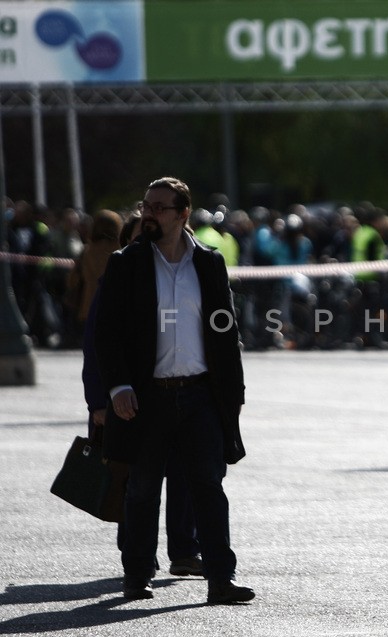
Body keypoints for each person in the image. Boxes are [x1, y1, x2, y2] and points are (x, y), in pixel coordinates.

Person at [94, 176, 254, 604]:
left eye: (160, 207)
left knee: (208, 488)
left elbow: (225, 331)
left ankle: (220, 578)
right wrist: (118, 387)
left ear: (183, 214)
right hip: (148, 397)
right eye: (146, 206)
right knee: (143, 489)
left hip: (201, 395)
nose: (149, 214)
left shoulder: (209, 262)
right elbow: (106, 333)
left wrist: (232, 394)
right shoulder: (126, 263)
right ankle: (137, 575)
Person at [81, 210, 203, 579]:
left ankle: (184, 551)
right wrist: (99, 401)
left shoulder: (189, 274)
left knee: (185, 477)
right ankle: (138, 555)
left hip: (181, 395)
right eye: (137, 239)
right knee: (135, 481)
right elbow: (96, 344)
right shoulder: (117, 277)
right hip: (132, 399)